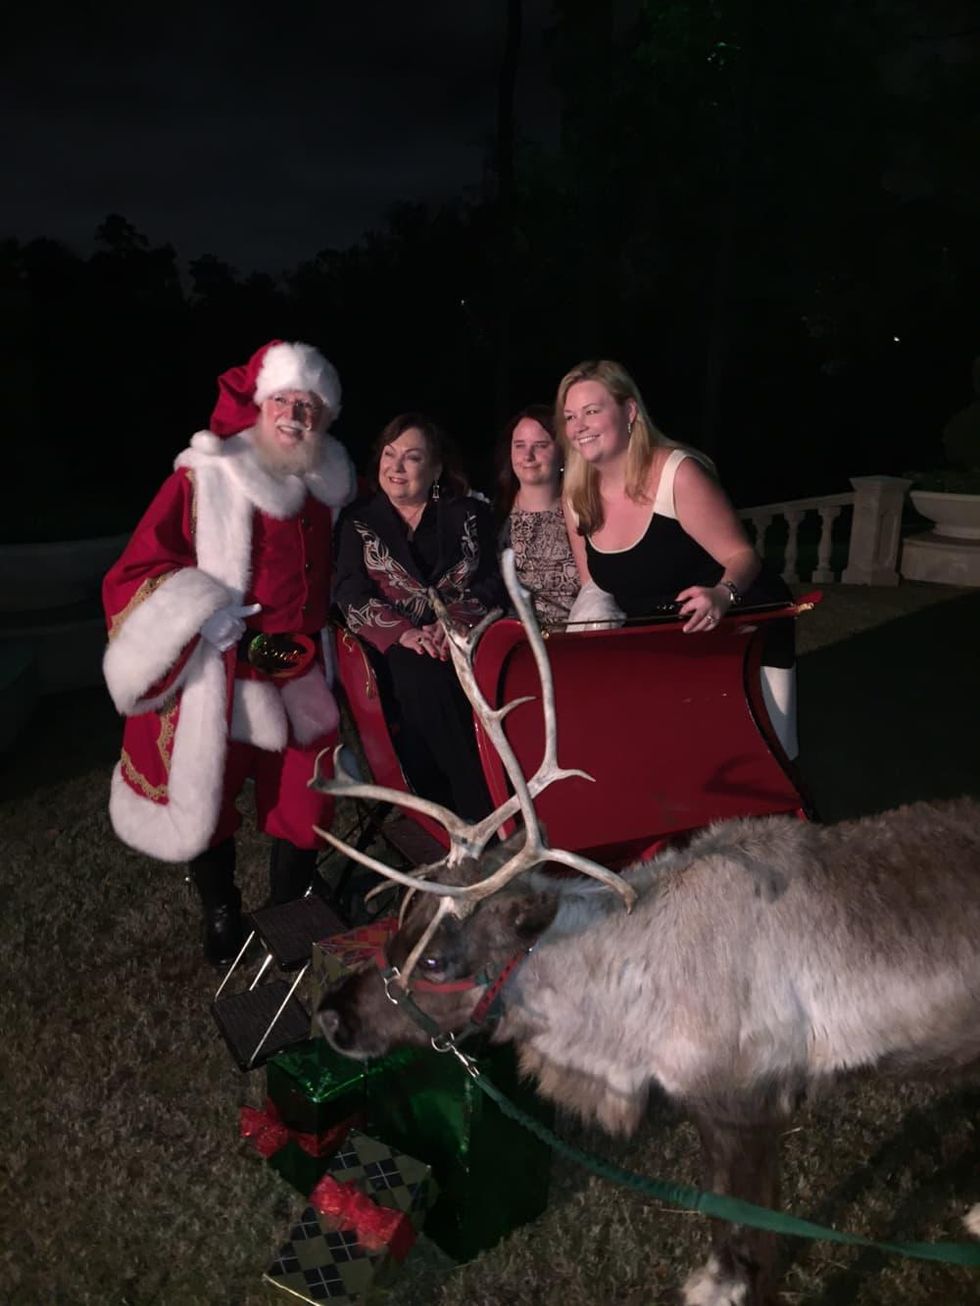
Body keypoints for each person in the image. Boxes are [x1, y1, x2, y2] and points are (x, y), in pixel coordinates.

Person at [102, 340, 356, 964]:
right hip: (227, 660)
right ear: (262, 404)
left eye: (310, 405)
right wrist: (196, 613)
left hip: (297, 659)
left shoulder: (332, 488)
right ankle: (221, 910)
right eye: (285, 401)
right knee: (208, 793)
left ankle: (291, 894)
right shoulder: (208, 473)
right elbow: (137, 566)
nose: (296, 414)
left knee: (307, 785)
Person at [558, 359, 798, 756]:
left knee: (750, 759)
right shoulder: (576, 496)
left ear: (629, 412)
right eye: (569, 416)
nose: (578, 425)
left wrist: (723, 594)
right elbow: (595, 587)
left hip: (733, 622)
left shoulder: (678, 474)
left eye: (592, 411)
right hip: (658, 635)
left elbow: (743, 556)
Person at [333, 413, 506, 818]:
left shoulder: (470, 515)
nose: (395, 467)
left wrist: (452, 627)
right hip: (393, 650)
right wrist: (406, 634)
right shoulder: (358, 521)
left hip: (464, 640)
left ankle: (463, 812)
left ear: (436, 468)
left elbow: (489, 584)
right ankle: (480, 811)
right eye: (389, 455)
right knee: (420, 674)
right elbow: (349, 592)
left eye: (411, 458)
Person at [495, 405, 580, 626]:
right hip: (520, 641)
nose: (528, 456)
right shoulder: (493, 516)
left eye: (540, 446)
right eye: (519, 446)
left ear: (563, 453)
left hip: (582, 637)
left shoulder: (584, 510)